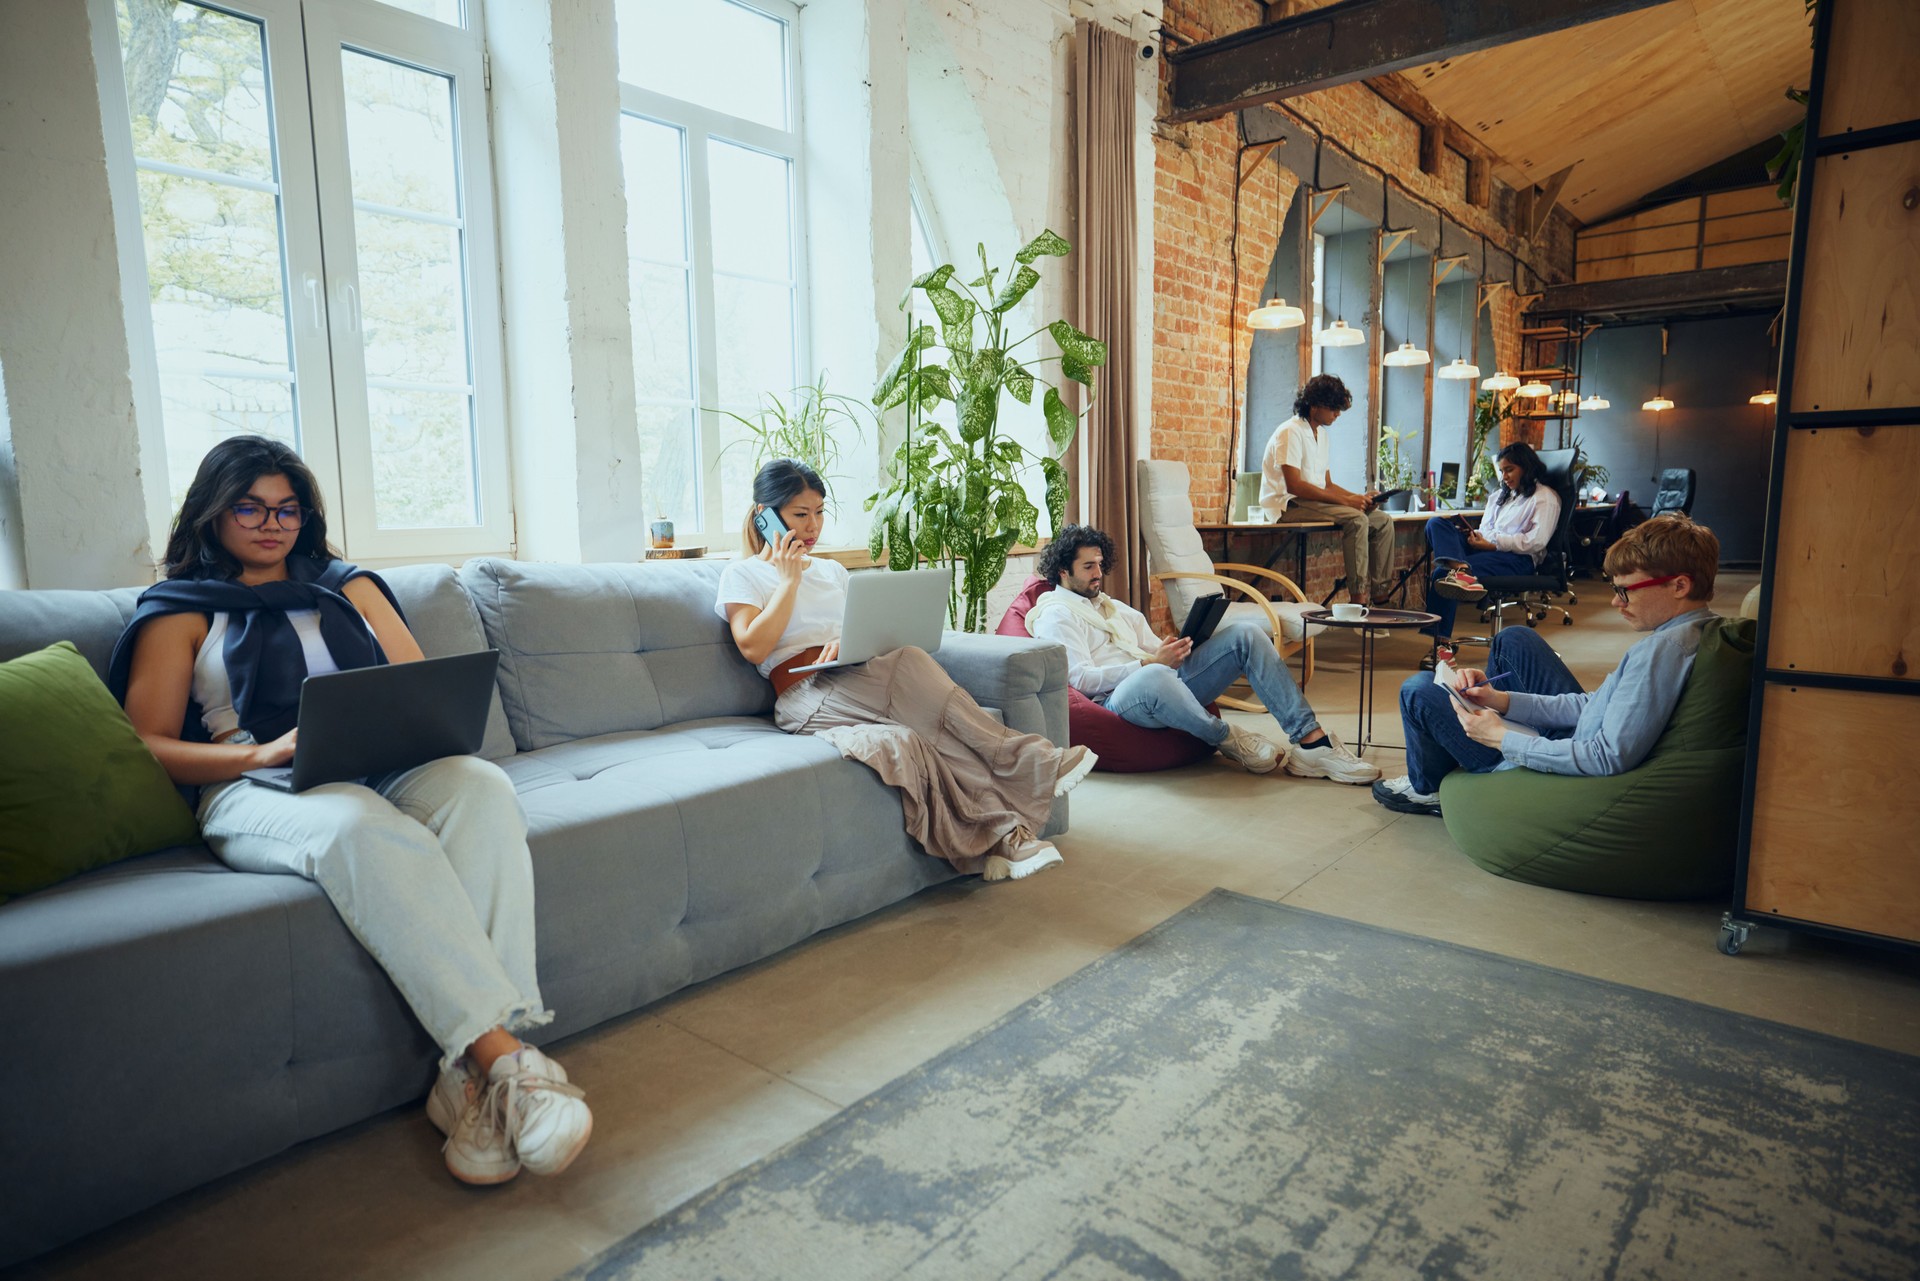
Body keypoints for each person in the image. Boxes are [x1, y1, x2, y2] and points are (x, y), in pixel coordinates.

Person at [110, 435, 589, 1186]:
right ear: (211, 512)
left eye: (288, 509)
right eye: (251, 507)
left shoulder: (348, 586)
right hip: (253, 785)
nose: (273, 523)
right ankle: (509, 1064)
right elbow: (146, 744)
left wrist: (422, 726)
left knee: (482, 788)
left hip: (380, 761)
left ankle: (468, 1084)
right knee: (363, 826)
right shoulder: (180, 609)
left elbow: (418, 684)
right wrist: (257, 754)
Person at [715, 459, 1096, 882]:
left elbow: (861, 627)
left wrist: (848, 640)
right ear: (763, 516)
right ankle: (1032, 765)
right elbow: (753, 647)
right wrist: (787, 582)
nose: (813, 527)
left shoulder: (832, 571)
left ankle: (1007, 837)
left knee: (912, 675)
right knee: (911, 724)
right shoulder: (743, 574)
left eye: (820, 513)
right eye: (799, 515)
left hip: (854, 674)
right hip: (804, 693)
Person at [1373, 514, 1722, 817]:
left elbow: (1605, 758)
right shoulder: (1693, 632)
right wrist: (1500, 700)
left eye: (1627, 591)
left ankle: (1428, 788)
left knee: (1417, 690)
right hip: (1578, 736)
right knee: (1513, 639)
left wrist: (1501, 737)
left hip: (1560, 768)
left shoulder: (1659, 655)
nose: (1616, 601)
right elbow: (1593, 705)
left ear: (1679, 586)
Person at [1024, 525, 1380, 785]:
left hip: (1161, 682)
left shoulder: (1113, 608)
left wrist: (1174, 648)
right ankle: (1227, 737)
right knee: (1155, 675)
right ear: (1063, 571)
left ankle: (1311, 743)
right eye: (1088, 567)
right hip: (1117, 701)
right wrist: (1150, 663)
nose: (1098, 574)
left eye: (1100, 564)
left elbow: (1150, 647)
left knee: (1247, 635)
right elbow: (1079, 680)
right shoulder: (1058, 614)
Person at [1418, 442, 1563, 667]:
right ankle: (1460, 569)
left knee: (1441, 573)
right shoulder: (1498, 496)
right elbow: (1486, 529)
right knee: (1436, 523)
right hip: (1485, 550)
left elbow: (1536, 541)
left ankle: (1441, 646)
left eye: (1509, 469)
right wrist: (1476, 537)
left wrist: (1492, 544)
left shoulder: (1544, 498)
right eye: (1502, 470)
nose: (1504, 476)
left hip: (1517, 558)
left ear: (1526, 467)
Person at [1260, 373, 1395, 607]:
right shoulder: (1289, 432)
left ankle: (1381, 594)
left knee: (1382, 520)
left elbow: (1327, 485)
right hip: (1288, 506)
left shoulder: (1321, 435)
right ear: (1315, 406)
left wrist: (1358, 498)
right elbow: (1295, 486)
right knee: (1357, 520)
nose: (1337, 414)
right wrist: (1349, 504)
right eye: (1333, 408)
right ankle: (1358, 600)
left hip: (1312, 503)